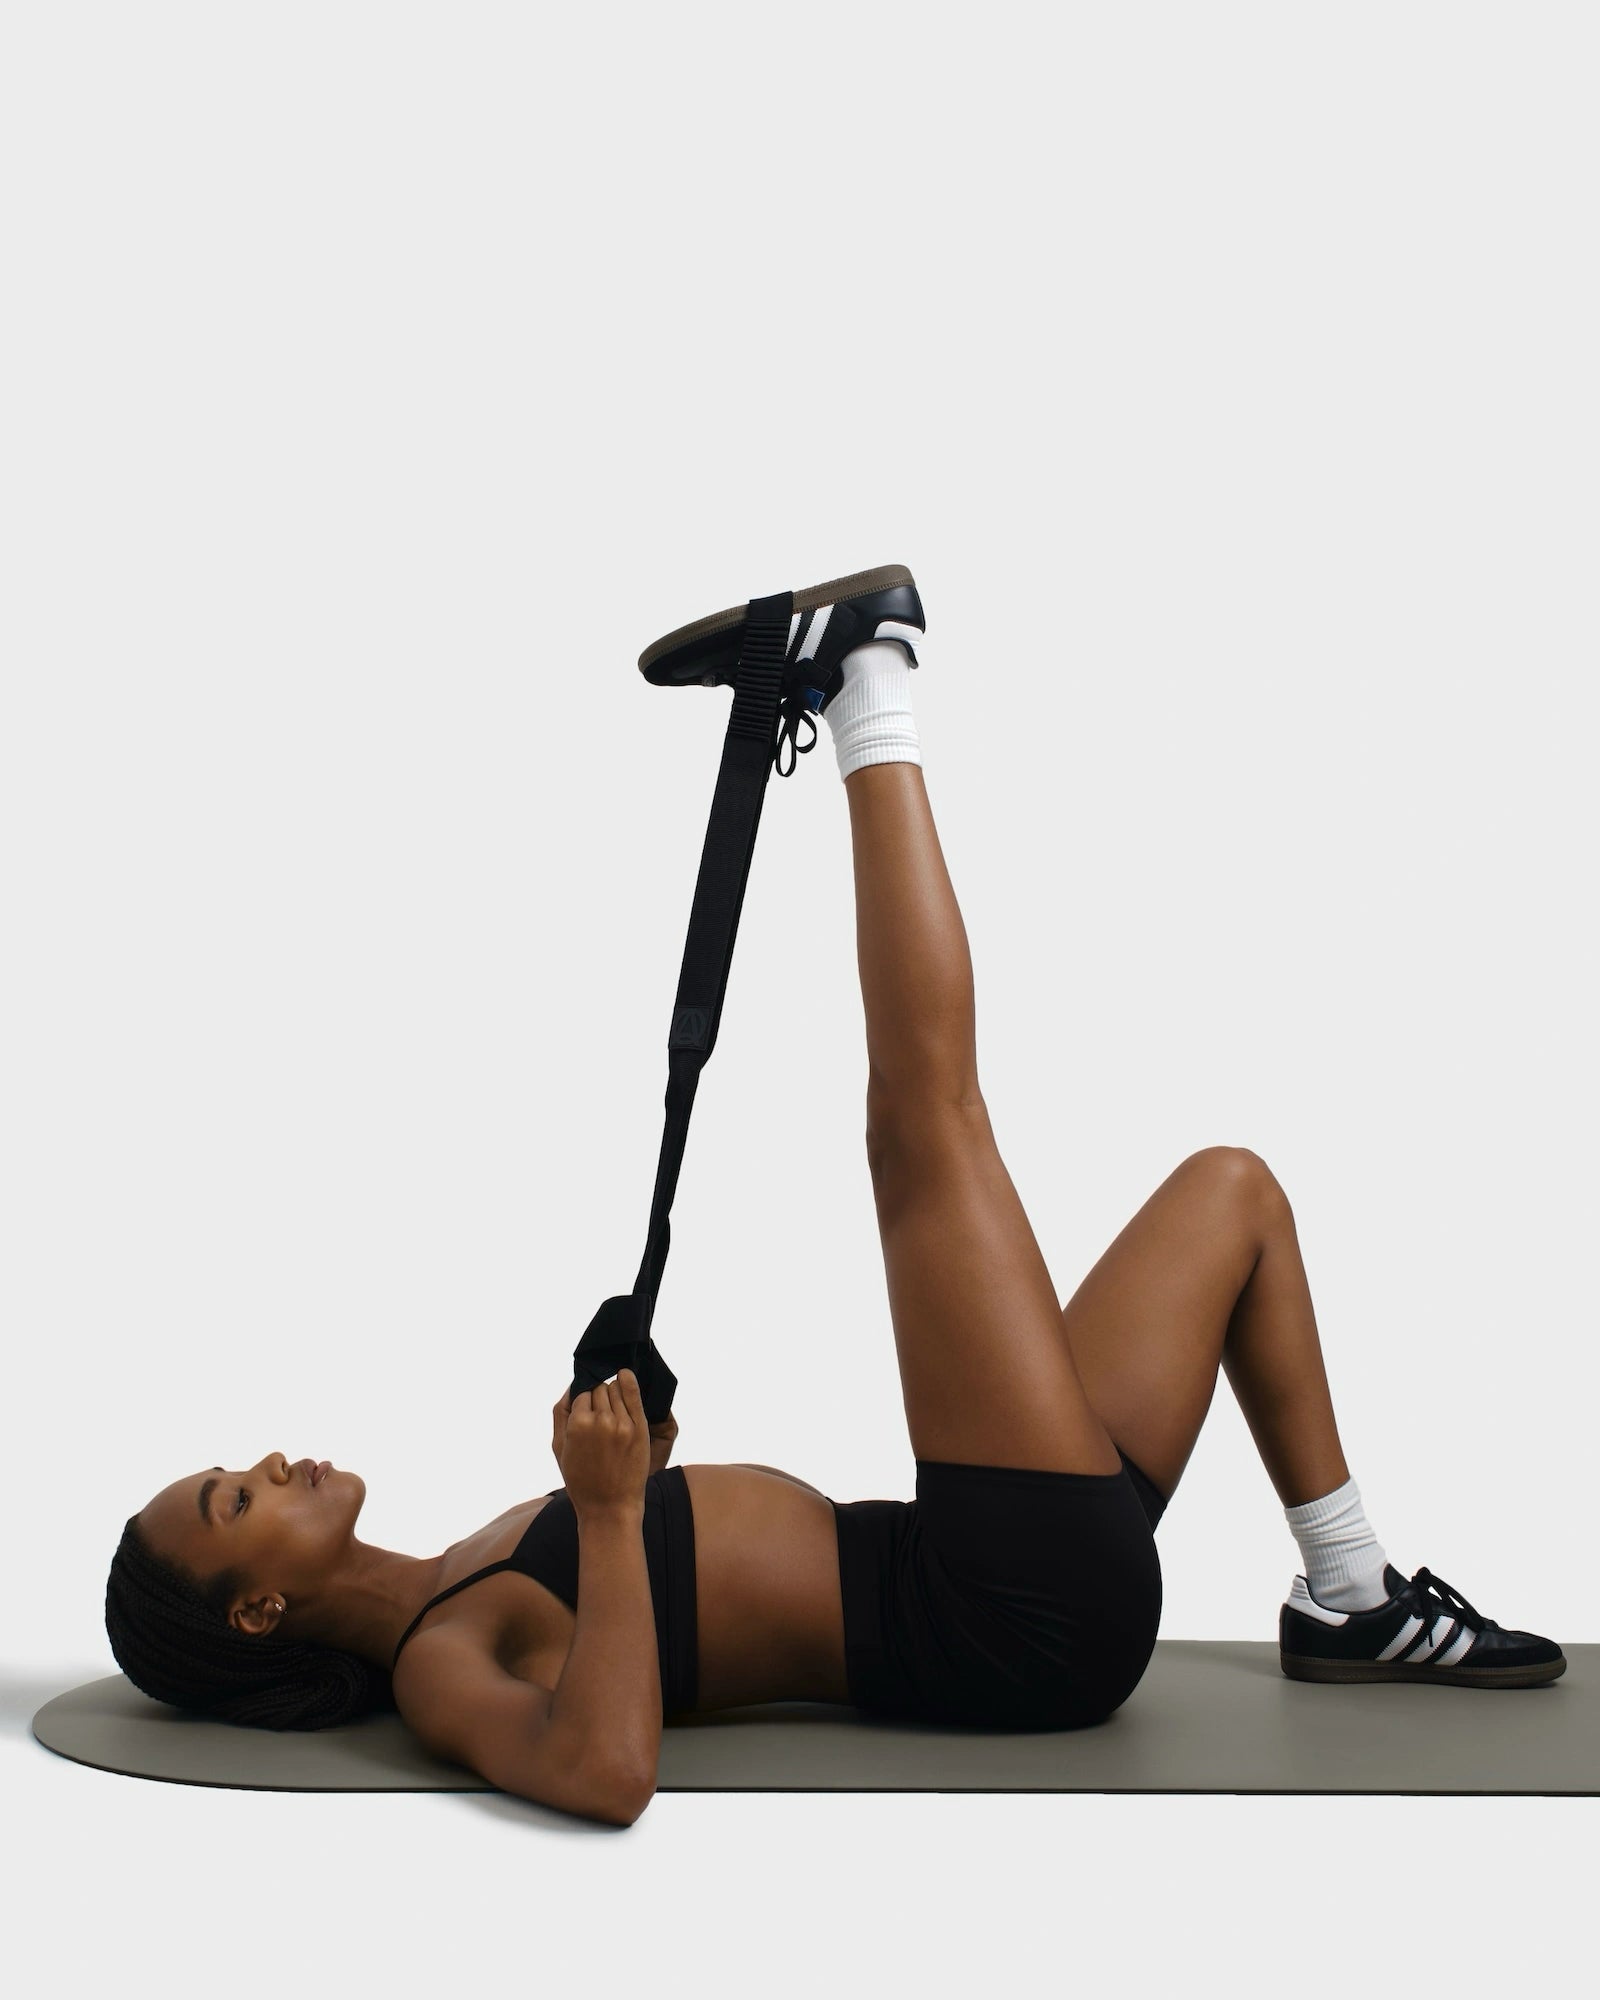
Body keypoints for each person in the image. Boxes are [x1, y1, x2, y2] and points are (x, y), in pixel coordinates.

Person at [106, 568, 1564, 1827]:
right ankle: (873, 674)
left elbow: (651, 1609)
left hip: (991, 1558)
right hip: (1007, 1617)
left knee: (1231, 1194)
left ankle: (1351, 1599)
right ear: (257, 1610)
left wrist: (635, 1468)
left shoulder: (462, 1562)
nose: (273, 1462)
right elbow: (604, 1772)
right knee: (921, 1133)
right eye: (236, 1498)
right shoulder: (437, 1657)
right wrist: (609, 1515)